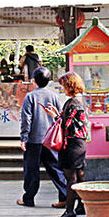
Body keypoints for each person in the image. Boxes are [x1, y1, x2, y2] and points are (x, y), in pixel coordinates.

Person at [17, 67, 66, 208]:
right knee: (56, 169)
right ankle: (64, 198)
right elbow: (59, 117)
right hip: (51, 140)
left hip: (34, 140)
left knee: (31, 170)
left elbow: (27, 119)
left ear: (34, 81)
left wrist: (24, 138)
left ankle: (29, 199)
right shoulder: (54, 96)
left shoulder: (30, 96)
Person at [56, 71, 90, 217]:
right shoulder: (81, 101)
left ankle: (70, 210)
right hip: (80, 142)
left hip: (71, 144)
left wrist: (55, 117)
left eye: (63, 85)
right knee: (79, 175)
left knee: (71, 177)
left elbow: (66, 124)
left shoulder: (72, 103)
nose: (62, 88)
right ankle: (82, 206)